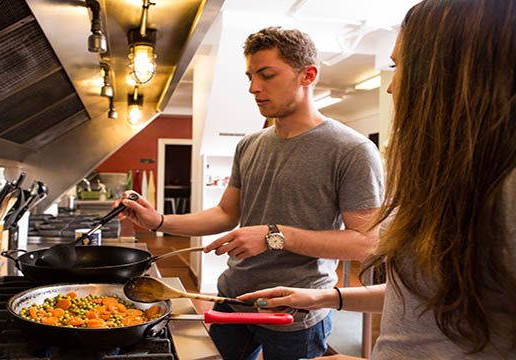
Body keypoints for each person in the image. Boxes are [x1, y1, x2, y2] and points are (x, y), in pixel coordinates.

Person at [238, 1, 516, 359]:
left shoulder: (507, 193)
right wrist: (326, 297)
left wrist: (277, 237)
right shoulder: (451, 183)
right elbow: (422, 298)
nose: (390, 86)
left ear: (449, 73)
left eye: (398, 65)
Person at [115, 27, 384, 359]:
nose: (254, 88)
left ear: (308, 75)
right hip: (232, 300)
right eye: (251, 76)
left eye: (267, 75)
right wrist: (158, 221)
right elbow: (226, 213)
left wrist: (276, 235)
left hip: (293, 312)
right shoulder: (250, 144)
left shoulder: (351, 149)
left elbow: (366, 242)